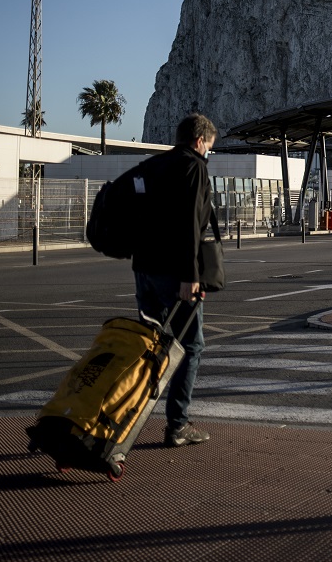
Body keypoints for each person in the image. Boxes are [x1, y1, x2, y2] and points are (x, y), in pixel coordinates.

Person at [131, 113, 217, 447]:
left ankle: (123, 415)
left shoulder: (152, 166)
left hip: (144, 271)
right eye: (209, 147)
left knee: (148, 346)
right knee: (191, 346)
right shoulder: (194, 167)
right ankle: (177, 425)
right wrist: (191, 276)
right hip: (174, 274)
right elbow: (190, 225)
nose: (209, 153)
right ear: (199, 141)